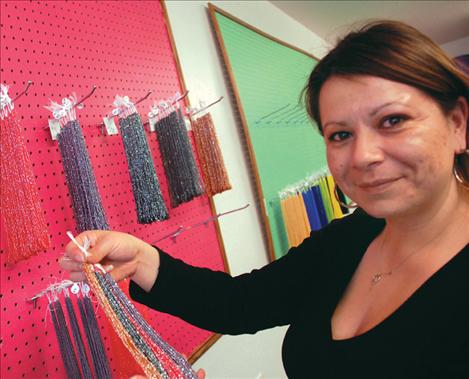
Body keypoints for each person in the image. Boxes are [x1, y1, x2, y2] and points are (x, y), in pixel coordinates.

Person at [60, 20, 469, 378]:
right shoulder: (352, 237)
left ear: (458, 124)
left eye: (392, 121)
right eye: (340, 134)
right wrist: (141, 259)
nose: (363, 156)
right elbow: (242, 304)